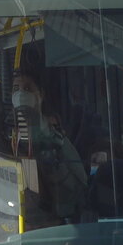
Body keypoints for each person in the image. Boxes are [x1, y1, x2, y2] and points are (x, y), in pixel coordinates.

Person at [9, 69, 87, 226]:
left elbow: (81, 185)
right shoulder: (8, 137)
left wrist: (56, 168)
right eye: (16, 89)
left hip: (54, 223)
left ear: (41, 94)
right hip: (17, 222)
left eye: (28, 89)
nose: (21, 95)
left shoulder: (56, 138)